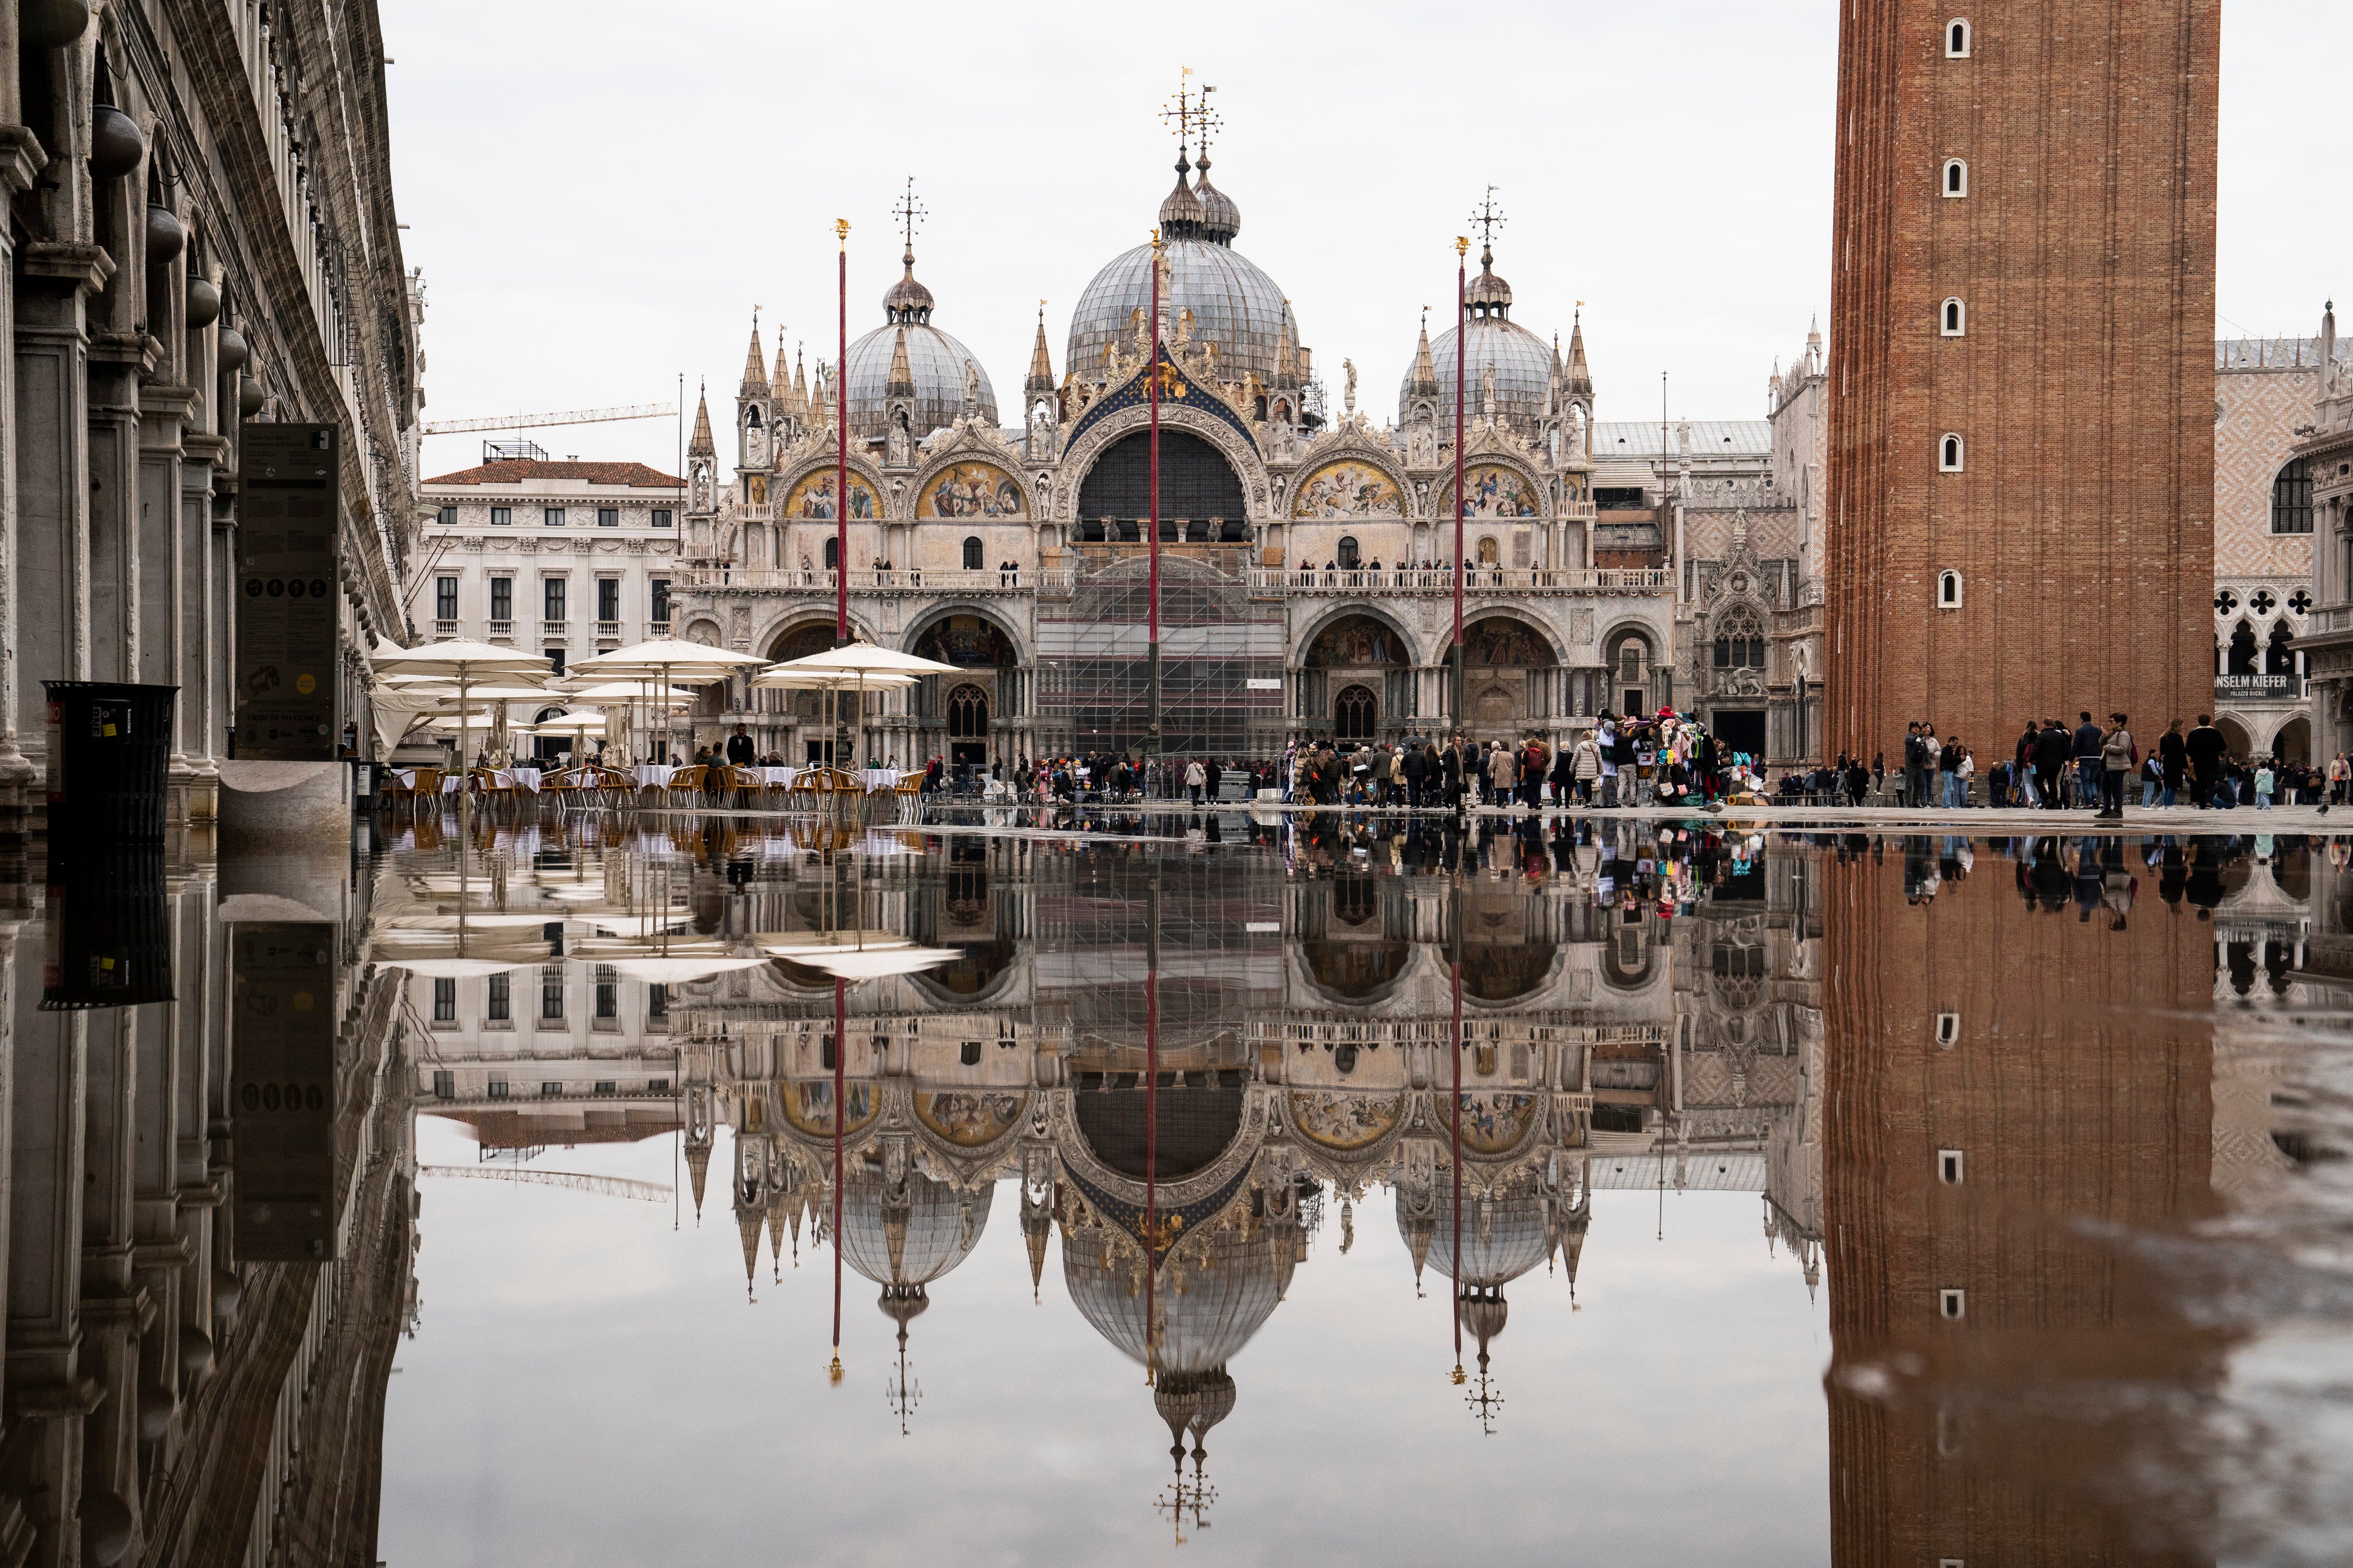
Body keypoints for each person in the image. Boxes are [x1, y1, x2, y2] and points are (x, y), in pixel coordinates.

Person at [2184, 714, 2226, 808]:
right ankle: (2209, 801)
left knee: (2201, 783)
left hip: (2199, 762)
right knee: (2211, 783)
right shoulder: (2216, 733)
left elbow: (2187, 749)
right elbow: (2223, 747)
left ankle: (2202, 804)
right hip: (2212, 762)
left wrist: (2195, 756)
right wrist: (2215, 751)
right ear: (2209, 721)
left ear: (2199, 721)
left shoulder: (2193, 734)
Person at [2097, 712, 2133, 819]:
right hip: (2107, 765)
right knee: (2105, 788)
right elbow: (2101, 745)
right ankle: (2107, 809)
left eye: (2111, 721)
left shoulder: (2123, 734)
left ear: (2120, 723)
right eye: (2108, 721)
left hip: (2118, 766)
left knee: (2117, 789)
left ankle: (2118, 810)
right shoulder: (2112, 733)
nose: (2109, 723)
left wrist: (2108, 747)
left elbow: (2123, 749)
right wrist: (2103, 737)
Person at [2072, 711, 2105, 808]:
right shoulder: (2098, 731)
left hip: (2085, 758)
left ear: (2082, 719)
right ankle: (2095, 799)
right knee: (2092, 780)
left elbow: (2076, 746)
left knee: (2085, 782)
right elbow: (2101, 743)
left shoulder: (2080, 731)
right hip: (2097, 758)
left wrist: (2071, 758)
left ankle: (2089, 803)